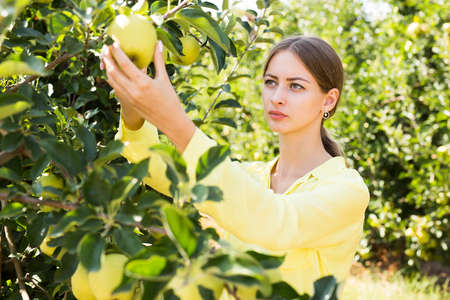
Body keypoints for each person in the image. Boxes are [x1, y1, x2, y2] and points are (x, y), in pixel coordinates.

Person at [100, 35, 370, 298]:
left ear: (328, 100)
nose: (277, 97)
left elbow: (277, 222)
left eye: (295, 86)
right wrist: (132, 102)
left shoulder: (347, 189)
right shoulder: (249, 176)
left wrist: (176, 122)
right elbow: (156, 169)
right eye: (270, 82)